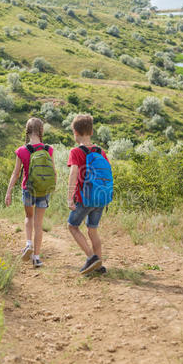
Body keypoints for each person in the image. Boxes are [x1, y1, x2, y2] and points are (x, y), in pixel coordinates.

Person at [5, 117, 56, 268]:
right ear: (41, 131)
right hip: (44, 190)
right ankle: (37, 258)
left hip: (28, 189)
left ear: (27, 131)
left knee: (29, 216)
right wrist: (52, 187)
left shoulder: (22, 150)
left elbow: (15, 174)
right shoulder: (48, 149)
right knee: (39, 224)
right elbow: (53, 171)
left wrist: (8, 192)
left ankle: (28, 244)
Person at [67, 114, 112, 275]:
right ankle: (99, 266)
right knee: (92, 230)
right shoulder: (100, 151)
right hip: (100, 198)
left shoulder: (76, 152)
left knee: (72, 226)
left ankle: (92, 258)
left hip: (84, 198)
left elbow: (73, 173)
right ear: (92, 132)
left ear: (75, 132)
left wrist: (69, 197)